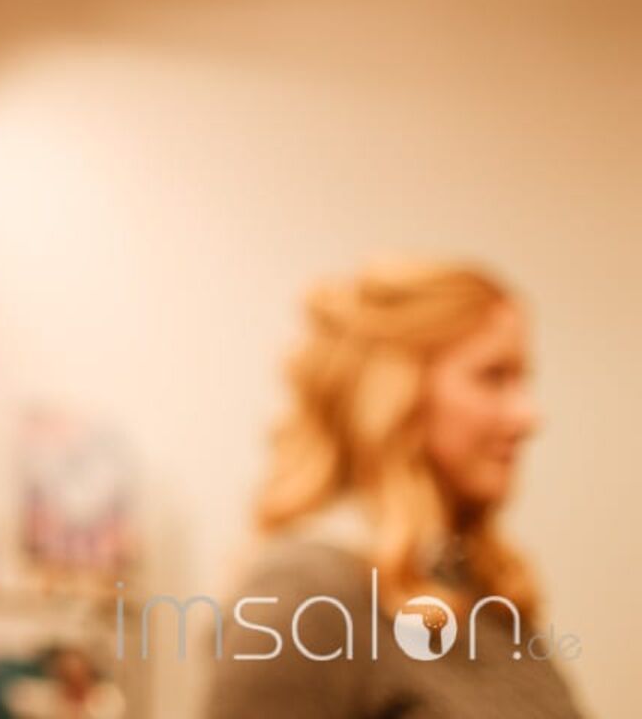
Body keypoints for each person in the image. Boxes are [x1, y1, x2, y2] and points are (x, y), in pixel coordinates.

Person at [203, 260, 585, 718]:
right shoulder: (306, 595)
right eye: (493, 376)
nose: (528, 417)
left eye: (522, 379)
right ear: (396, 392)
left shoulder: (477, 586)